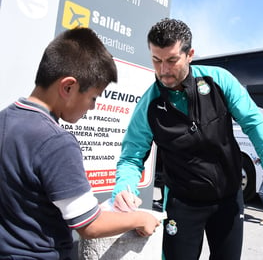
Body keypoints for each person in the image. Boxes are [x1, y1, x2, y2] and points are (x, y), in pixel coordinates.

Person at [112, 18, 263, 260]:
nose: (163, 70)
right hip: (182, 204)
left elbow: (253, 121)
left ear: (190, 55)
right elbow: (131, 157)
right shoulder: (149, 104)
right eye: (156, 60)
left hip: (228, 200)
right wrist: (123, 189)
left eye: (171, 60)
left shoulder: (218, 80)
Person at [0, 27, 161, 259]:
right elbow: (89, 225)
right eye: (93, 97)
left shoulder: (5, 117)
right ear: (68, 87)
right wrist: (140, 218)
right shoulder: (56, 142)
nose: (93, 107)